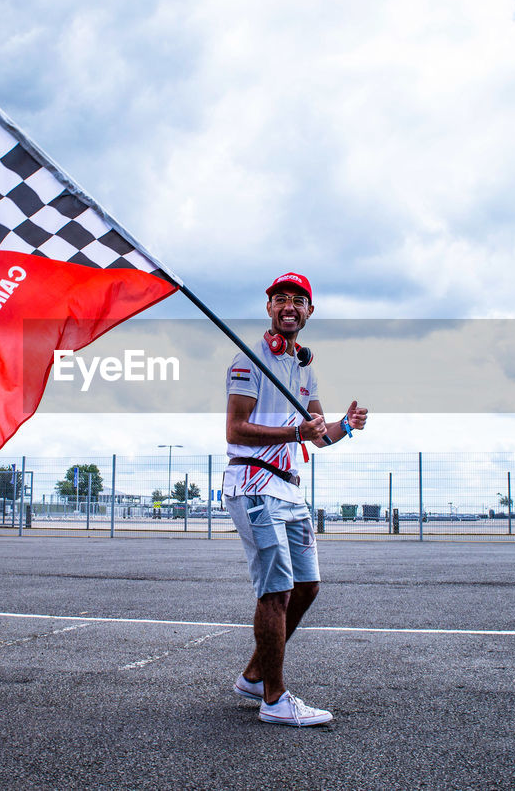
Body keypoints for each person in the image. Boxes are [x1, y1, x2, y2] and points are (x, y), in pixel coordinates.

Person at [223, 272, 368, 726]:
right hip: (254, 484)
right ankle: (274, 699)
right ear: (269, 309)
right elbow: (236, 430)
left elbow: (319, 435)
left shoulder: (305, 368)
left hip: (289, 486)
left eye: (298, 300)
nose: (289, 306)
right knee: (276, 591)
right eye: (280, 299)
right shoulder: (248, 361)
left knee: (306, 587)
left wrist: (345, 425)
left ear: (309, 312)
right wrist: (294, 431)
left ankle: (253, 675)